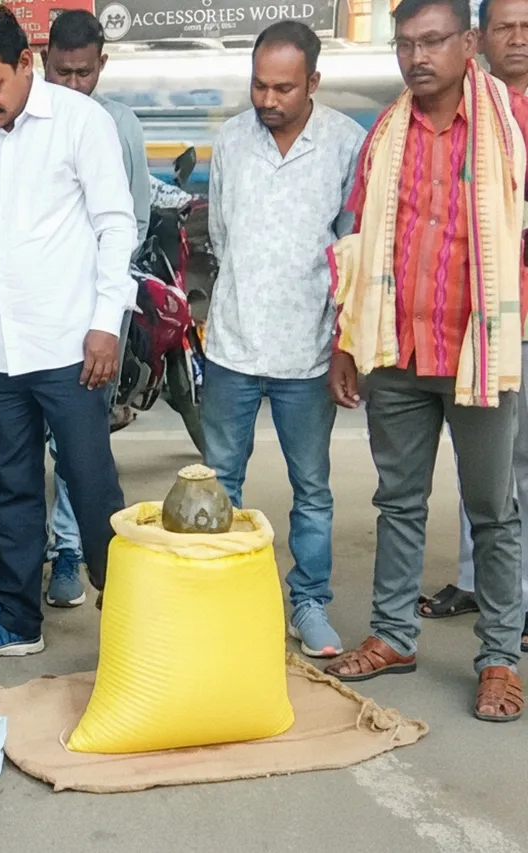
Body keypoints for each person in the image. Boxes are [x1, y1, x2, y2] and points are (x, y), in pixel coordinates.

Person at [325, 0, 528, 722]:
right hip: (397, 349)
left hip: (483, 352)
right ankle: (393, 634)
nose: (418, 56)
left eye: (434, 41)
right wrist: (346, 343)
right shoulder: (384, 134)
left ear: (468, 43)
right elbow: (355, 247)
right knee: (397, 501)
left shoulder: (512, 125)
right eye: (405, 43)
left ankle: (501, 656)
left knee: (494, 512)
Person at [0, 7, 136, 662]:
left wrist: (107, 324)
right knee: (10, 485)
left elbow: (115, 227)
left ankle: (133, 616)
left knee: (90, 480)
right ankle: (18, 619)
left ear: (26, 65)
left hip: (73, 350)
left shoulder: (82, 124)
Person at [203, 21, 365, 659]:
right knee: (219, 483)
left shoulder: (346, 145)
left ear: (314, 84)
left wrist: (344, 346)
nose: (267, 100)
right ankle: (220, 600)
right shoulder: (231, 141)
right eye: (258, 85)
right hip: (233, 346)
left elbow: (352, 252)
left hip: (309, 352)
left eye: (283, 89)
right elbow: (220, 233)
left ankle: (309, 602)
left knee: (313, 488)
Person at [416, 0, 528, 652]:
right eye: (506, 26)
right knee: (479, 466)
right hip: (466, 319)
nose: (518, 38)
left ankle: (511, 601)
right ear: (481, 37)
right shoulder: (463, 110)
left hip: (519, 315)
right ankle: (475, 581)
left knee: (518, 464)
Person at [39, 9, 152, 607]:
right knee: (24, 443)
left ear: (101, 67)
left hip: (96, 320)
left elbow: (130, 222)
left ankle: (70, 553)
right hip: (33, 320)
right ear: (43, 62)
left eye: (84, 73)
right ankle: (31, 551)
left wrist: (104, 316)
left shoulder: (120, 126)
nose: (73, 85)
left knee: (79, 446)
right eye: (62, 72)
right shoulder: (25, 125)